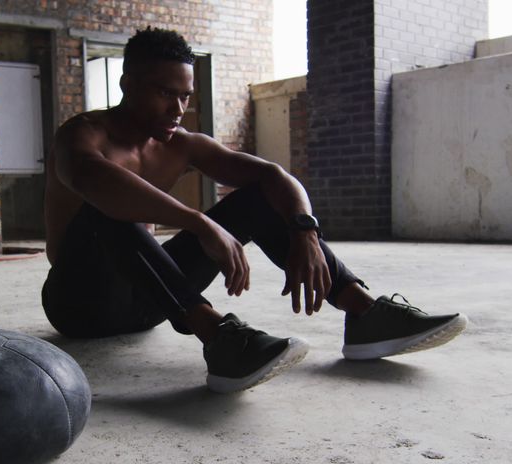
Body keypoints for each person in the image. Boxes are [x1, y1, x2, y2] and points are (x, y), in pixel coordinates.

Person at [42, 27, 466, 394]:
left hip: (149, 301)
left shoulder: (182, 144)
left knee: (260, 196)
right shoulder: (81, 136)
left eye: (185, 96)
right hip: (79, 305)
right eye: (164, 93)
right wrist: (199, 221)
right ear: (127, 84)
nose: (177, 109)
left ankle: (364, 312)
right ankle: (221, 340)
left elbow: (274, 176)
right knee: (105, 210)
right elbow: (98, 182)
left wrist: (305, 231)